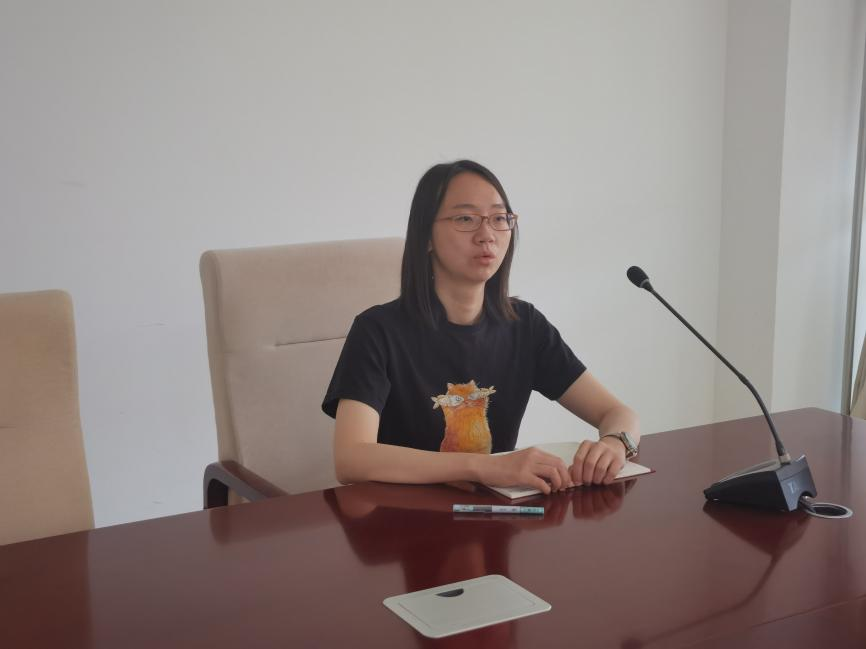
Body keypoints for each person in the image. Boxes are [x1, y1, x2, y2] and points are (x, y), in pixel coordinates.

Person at [322, 160, 640, 494]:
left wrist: (616, 443)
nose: (487, 235)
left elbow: (617, 413)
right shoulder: (377, 331)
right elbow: (351, 458)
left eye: (499, 219)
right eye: (465, 219)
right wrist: (483, 467)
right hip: (403, 517)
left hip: (496, 516)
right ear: (426, 235)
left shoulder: (525, 325)